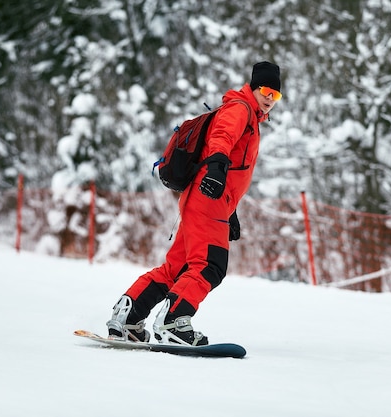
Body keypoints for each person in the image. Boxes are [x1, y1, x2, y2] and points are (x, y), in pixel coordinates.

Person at [106, 61, 282, 346]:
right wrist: (214, 169)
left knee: (178, 267)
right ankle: (173, 322)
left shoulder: (249, 115)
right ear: (253, 87)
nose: (270, 99)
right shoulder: (240, 109)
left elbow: (234, 169)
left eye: (276, 95)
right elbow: (221, 137)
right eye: (265, 90)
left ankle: (128, 315)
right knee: (210, 264)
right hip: (207, 196)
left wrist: (231, 211)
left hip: (209, 199)